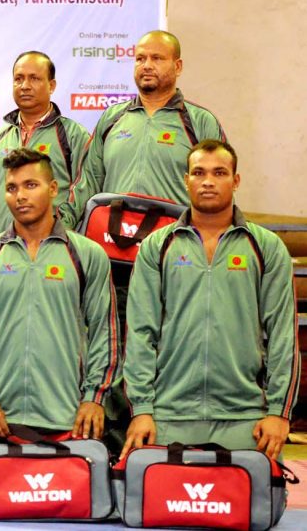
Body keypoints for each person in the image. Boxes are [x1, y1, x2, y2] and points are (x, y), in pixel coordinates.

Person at [121, 140, 299, 460]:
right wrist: (142, 408)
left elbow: (283, 336)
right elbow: (140, 334)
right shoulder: (157, 246)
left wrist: (278, 412)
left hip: (247, 417)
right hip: (169, 414)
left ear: (236, 180)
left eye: (219, 172)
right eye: (199, 172)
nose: (207, 181)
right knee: (162, 506)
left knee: (257, 507)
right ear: (185, 180)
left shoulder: (266, 247)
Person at [0, 148, 118, 439]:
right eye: (11, 188)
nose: (20, 196)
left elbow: (104, 334)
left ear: (53, 189)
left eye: (31, 185)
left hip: (68, 416)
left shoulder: (88, 255)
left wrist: (94, 398)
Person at [59, 31, 227, 229]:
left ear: (178, 66)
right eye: (140, 59)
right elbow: (87, 183)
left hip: (173, 249)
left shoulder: (201, 122)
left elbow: (220, 189)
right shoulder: (112, 118)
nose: (147, 65)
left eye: (157, 58)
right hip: (111, 247)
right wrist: (61, 232)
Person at [0, 51, 89, 235]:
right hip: (1, 249)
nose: (25, 86)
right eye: (18, 79)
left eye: (34, 78)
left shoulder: (72, 135)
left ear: (51, 86)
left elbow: (84, 190)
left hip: (52, 248)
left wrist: (58, 230)